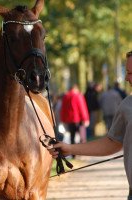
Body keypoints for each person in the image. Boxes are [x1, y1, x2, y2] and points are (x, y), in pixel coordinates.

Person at [49, 50, 132, 200]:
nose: (126, 78)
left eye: (131, 73)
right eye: (127, 72)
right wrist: (70, 148)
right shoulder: (127, 105)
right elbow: (111, 143)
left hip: (73, 120)